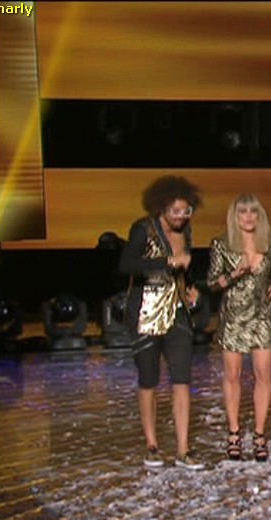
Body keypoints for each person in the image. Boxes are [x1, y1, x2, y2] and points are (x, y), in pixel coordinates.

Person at [118, 175, 205, 470]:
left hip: (178, 312)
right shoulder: (143, 229)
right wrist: (167, 263)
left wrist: (191, 288)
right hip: (146, 312)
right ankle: (152, 445)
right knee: (149, 379)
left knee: (182, 379)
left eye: (185, 211)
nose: (180, 217)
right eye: (175, 211)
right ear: (161, 208)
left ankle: (183, 449)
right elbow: (126, 264)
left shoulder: (186, 232)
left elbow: (184, 271)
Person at [207, 194, 271, 462]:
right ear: (235, 216)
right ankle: (234, 433)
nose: (249, 217)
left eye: (253, 212)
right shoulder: (222, 244)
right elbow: (212, 283)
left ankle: (260, 435)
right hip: (233, 317)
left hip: (261, 316)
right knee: (233, 375)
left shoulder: (269, 242)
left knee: (264, 375)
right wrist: (236, 273)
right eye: (243, 212)